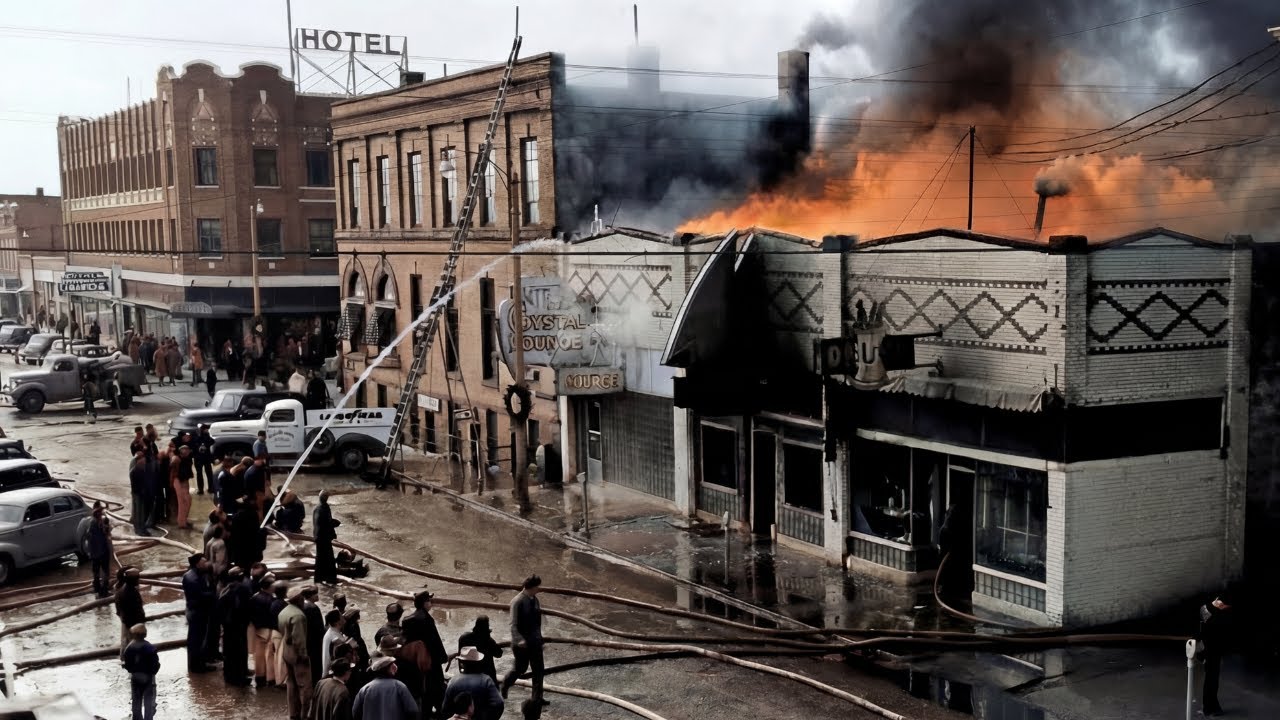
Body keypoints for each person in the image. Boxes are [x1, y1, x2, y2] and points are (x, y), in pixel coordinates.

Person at [501, 575, 546, 706]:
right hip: (522, 644)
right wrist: (519, 639)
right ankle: (505, 685)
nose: (539, 589)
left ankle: (537, 698)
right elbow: (513, 624)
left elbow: (537, 623)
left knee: (539, 671)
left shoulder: (535, 600)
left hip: (535, 641)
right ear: (531, 587)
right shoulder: (517, 601)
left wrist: (540, 639)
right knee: (520, 669)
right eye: (537, 586)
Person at [402, 589, 448, 716]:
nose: (431, 603)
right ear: (425, 603)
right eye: (429, 600)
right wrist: (443, 658)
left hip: (416, 664)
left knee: (423, 695)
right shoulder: (427, 620)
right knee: (437, 694)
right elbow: (435, 642)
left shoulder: (407, 620)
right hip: (431, 663)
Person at [280, 585, 315, 720]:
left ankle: (293, 713)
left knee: (291, 683)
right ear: (299, 599)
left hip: (286, 651)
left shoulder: (284, 611)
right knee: (305, 687)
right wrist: (304, 656)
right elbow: (299, 640)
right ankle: (304, 715)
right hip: (297, 655)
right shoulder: (299, 616)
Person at [1199, 589, 1236, 716]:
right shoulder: (1215, 615)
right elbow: (1213, 633)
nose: (1226, 609)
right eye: (1225, 606)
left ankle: (1210, 707)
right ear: (1220, 604)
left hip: (1209, 649)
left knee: (1211, 680)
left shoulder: (1205, 608)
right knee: (1212, 681)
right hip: (1211, 651)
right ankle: (1209, 708)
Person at [445, 647, 504, 720]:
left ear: (462, 664)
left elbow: (445, 708)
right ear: (478, 663)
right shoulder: (486, 680)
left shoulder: (453, 681)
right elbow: (499, 704)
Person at [352, 656, 418, 720]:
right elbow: (413, 710)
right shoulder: (399, 686)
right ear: (388, 669)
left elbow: (355, 713)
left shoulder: (364, 689)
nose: (395, 666)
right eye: (392, 664)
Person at [218, 566, 253, 686]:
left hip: (227, 626)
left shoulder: (224, 589)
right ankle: (240, 676)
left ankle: (229, 676)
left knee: (228, 651)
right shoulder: (243, 589)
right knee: (240, 651)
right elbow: (245, 607)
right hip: (239, 625)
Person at [182, 553, 216, 672]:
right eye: (204, 562)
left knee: (198, 639)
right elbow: (199, 595)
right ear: (197, 564)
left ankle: (199, 663)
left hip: (197, 610)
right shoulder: (192, 578)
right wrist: (214, 595)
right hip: (197, 611)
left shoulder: (196, 574)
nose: (206, 564)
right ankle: (196, 667)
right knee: (196, 640)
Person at [123, 623, 160, 720]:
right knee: (148, 701)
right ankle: (148, 718)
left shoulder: (129, 647)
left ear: (133, 634)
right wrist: (153, 672)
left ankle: (137, 718)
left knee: (136, 700)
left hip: (135, 677)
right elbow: (155, 663)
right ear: (145, 634)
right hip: (148, 677)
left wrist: (131, 670)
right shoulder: (149, 647)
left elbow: (127, 663)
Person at [251, 572, 279, 688]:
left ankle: (259, 677)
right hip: (268, 630)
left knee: (258, 656)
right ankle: (270, 678)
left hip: (256, 629)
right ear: (270, 587)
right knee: (269, 657)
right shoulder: (271, 601)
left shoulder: (255, 597)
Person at [457, 616, 504, 685]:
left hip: (468, 673)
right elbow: (499, 654)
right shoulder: (488, 641)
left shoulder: (464, 638)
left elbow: (460, 657)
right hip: (486, 677)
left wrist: (462, 673)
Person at [115, 566, 146, 661]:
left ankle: (124, 660)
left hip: (125, 620)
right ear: (133, 580)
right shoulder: (131, 592)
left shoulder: (121, 590)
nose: (138, 581)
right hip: (132, 623)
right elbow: (137, 609)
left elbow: (118, 608)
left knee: (125, 642)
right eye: (137, 579)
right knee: (133, 645)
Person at [313, 490, 340, 585]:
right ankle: (330, 579)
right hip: (324, 537)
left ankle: (319, 578)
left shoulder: (317, 508)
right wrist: (335, 525)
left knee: (320, 558)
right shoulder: (324, 508)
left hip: (318, 536)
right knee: (329, 559)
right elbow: (327, 523)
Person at [302, 586, 326, 686]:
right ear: (311, 596)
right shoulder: (313, 608)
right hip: (315, 641)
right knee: (316, 663)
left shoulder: (303, 606)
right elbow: (319, 627)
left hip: (307, 639)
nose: (317, 595)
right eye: (315, 594)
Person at [128, 450, 150, 536]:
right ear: (138, 461)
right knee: (139, 513)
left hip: (141, 493)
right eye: (143, 460)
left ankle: (142, 528)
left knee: (142, 512)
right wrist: (142, 492)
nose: (144, 461)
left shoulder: (142, 469)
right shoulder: (135, 471)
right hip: (138, 494)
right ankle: (139, 530)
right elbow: (136, 486)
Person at [173, 445, 194, 529]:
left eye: (188, 449)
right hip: (178, 480)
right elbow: (173, 471)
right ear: (181, 451)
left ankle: (184, 519)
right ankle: (182, 523)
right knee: (182, 502)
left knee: (188, 500)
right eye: (186, 449)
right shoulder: (176, 459)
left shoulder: (188, 458)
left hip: (185, 480)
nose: (188, 451)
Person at [195, 424, 215, 497]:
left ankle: (210, 488)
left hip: (205, 457)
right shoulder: (198, 435)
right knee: (200, 473)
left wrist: (205, 445)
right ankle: (201, 489)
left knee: (208, 473)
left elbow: (212, 441)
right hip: (199, 457)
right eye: (206, 429)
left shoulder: (206, 435)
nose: (207, 430)